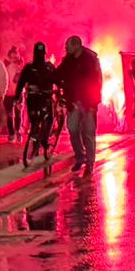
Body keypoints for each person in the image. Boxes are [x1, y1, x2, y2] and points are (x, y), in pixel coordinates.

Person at [58, 35, 104, 174]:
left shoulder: (90, 60)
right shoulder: (68, 60)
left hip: (88, 102)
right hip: (74, 102)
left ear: (76, 45)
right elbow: (58, 73)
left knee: (89, 133)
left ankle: (89, 163)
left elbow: (97, 82)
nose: (66, 48)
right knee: (72, 129)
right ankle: (80, 157)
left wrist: (93, 103)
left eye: (68, 45)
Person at [15, 42, 60, 162]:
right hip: (40, 99)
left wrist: (17, 96)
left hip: (37, 99)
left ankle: (39, 137)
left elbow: (21, 83)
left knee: (38, 121)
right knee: (46, 119)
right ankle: (42, 139)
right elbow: (21, 83)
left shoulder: (32, 67)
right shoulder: (43, 67)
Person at [2, 44, 26, 141]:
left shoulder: (21, 66)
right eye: (13, 57)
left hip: (18, 93)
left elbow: (21, 80)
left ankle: (18, 132)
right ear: (9, 56)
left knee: (18, 113)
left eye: (16, 57)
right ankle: (11, 133)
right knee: (10, 114)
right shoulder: (5, 66)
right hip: (8, 93)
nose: (15, 59)